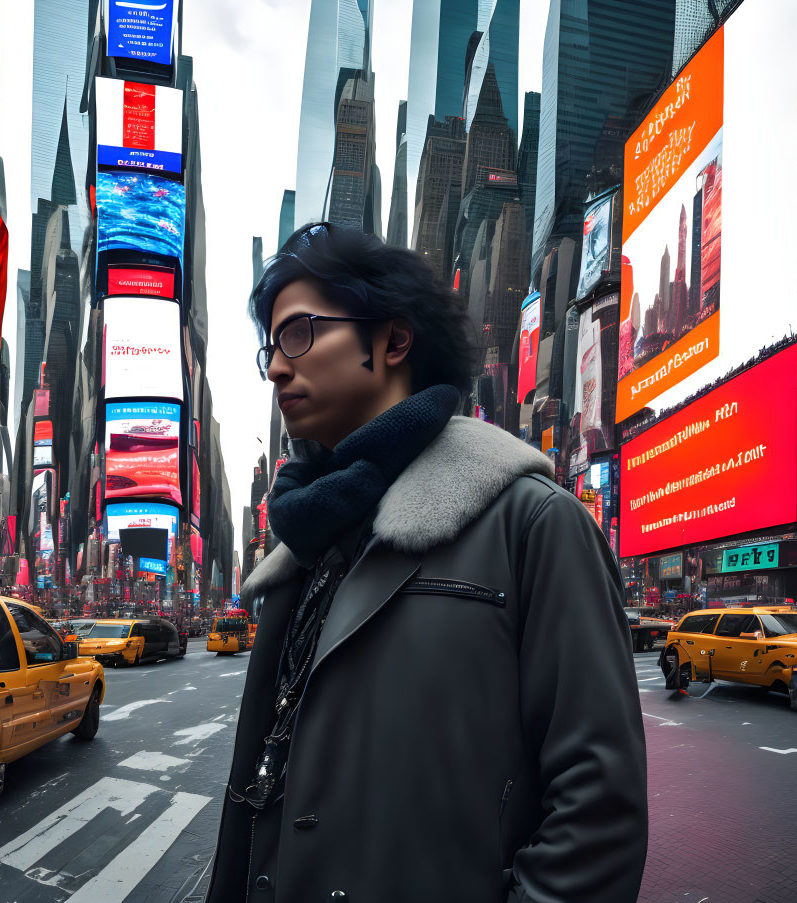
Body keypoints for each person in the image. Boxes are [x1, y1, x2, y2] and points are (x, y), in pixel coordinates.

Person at [207, 223, 647, 902]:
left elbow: (597, 818)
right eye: (270, 345)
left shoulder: (533, 524)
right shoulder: (302, 546)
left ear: (392, 340)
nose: (274, 366)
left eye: (298, 333)